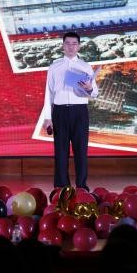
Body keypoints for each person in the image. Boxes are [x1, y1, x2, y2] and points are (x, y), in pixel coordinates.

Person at [42, 32, 98, 191]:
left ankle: (81, 186)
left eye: (74, 44)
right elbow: (48, 93)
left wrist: (90, 88)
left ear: (79, 46)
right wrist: (47, 118)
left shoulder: (85, 66)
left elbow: (95, 93)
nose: (71, 47)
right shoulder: (54, 67)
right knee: (61, 151)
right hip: (59, 112)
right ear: (63, 45)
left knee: (81, 150)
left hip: (79, 111)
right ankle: (61, 186)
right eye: (67, 43)